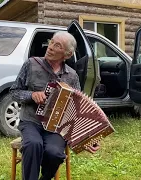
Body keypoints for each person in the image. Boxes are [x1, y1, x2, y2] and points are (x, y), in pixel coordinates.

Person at [10, 31, 99, 180]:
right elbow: (14, 92)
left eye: (57, 45)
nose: (50, 47)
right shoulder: (31, 64)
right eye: (51, 42)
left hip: (56, 127)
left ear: (67, 54)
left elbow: (77, 110)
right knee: (33, 145)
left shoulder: (72, 76)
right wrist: (31, 95)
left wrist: (87, 139)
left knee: (55, 153)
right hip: (31, 121)